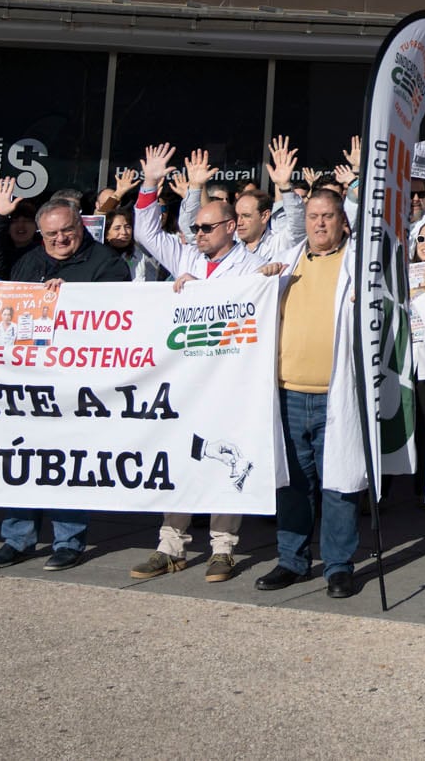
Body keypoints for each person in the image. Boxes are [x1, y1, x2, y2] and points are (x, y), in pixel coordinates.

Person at [125, 144, 263, 582]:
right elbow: (146, 232)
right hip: (187, 378)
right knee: (182, 459)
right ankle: (171, 546)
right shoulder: (187, 257)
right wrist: (149, 184)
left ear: (230, 227)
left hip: (230, 382)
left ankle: (223, 549)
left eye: (206, 228)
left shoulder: (252, 267)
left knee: (228, 458)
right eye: (196, 228)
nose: (198, 234)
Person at [0, 188, 133, 572]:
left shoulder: (106, 263)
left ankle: (68, 541)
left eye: (67, 231)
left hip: (75, 383)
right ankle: (17, 538)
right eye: (51, 235)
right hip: (25, 379)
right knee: (21, 457)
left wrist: (74, 299)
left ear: (81, 225)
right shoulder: (28, 261)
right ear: (40, 235)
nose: (60, 240)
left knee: (68, 461)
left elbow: (118, 312)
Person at [255, 186, 368, 600]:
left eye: (328, 216)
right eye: (313, 216)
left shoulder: (359, 264)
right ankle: (292, 560)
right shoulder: (285, 260)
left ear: (343, 221)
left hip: (336, 396)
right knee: (292, 484)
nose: (319, 223)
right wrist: (261, 281)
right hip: (287, 392)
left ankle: (339, 567)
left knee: (339, 485)